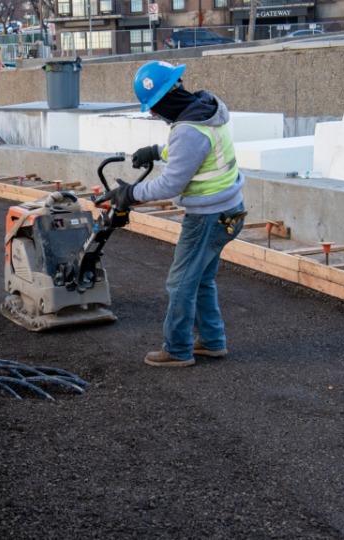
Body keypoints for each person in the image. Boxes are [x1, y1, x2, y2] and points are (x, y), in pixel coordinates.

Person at [104, 61, 247, 368]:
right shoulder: (206, 111)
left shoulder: (187, 130)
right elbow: (193, 150)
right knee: (201, 280)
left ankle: (178, 348)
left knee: (179, 282)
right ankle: (211, 341)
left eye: (154, 107)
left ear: (165, 99)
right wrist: (156, 151)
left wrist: (128, 194)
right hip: (229, 211)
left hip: (207, 217)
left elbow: (171, 183)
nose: (154, 114)